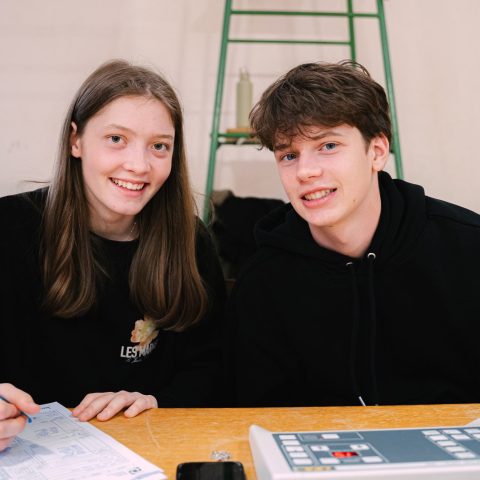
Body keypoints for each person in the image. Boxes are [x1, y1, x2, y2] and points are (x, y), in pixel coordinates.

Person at [0, 59, 225, 450]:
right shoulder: (9, 228)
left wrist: (158, 402)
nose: (138, 165)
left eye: (159, 146)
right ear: (76, 141)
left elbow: (213, 366)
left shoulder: (191, 241)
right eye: (116, 139)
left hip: (147, 452)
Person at [228, 60, 480, 407]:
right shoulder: (262, 282)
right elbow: (256, 418)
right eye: (289, 155)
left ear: (376, 152)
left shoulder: (468, 250)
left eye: (328, 146)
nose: (305, 172)